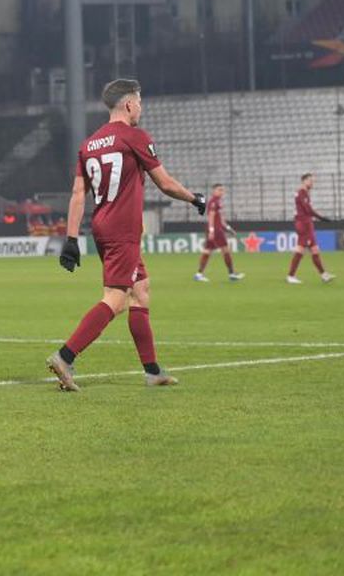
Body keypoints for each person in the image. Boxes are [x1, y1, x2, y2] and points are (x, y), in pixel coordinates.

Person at [48, 79, 207, 392]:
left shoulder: (89, 144)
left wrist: (71, 239)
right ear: (129, 105)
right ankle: (66, 356)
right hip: (123, 229)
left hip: (103, 226)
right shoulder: (135, 137)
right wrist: (195, 198)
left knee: (140, 290)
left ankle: (152, 370)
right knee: (116, 298)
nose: (141, 108)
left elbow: (78, 194)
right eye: (139, 103)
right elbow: (166, 184)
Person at [287, 173, 336, 284]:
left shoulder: (303, 193)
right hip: (304, 224)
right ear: (304, 181)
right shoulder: (302, 192)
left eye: (312, 180)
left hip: (307, 223)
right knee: (300, 250)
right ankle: (291, 276)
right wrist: (321, 218)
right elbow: (308, 210)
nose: (312, 182)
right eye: (310, 180)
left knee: (315, 250)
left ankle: (324, 275)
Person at [194, 184, 244, 282]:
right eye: (219, 190)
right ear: (214, 191)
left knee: (207, 251)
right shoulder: (214, 202)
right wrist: (212, 230)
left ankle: (199, 274)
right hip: (216, 230)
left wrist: (228, 228)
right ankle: (231, 274)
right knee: (225, 251)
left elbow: (220, 218)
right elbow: (211, 217)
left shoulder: (216, 202)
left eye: (222, 190)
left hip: (215, 229)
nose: (221, 192)